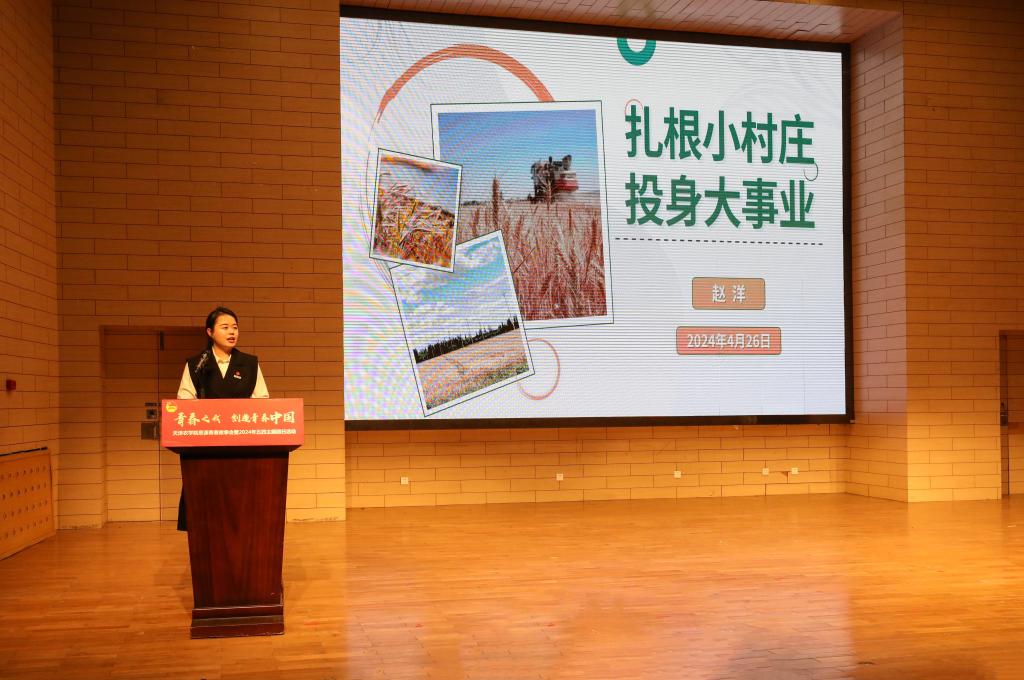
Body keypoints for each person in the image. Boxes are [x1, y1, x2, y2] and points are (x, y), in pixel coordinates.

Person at [175, 306, 269, 531]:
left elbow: (262, 401)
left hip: (242, 445)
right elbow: (184, 402)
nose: (232, 332)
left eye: (235, 327)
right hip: (206, 447)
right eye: (225, 327)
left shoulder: (249, 363)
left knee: (240, 510)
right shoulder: (197, 364)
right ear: (209, 332)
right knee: (207, 511)